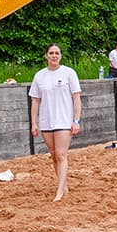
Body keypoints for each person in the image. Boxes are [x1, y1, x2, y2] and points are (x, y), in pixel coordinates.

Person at [29, 44, 82, 202]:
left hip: (64, 120)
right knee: (53, 155)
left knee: (61, 154)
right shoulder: (39, 76)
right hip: (46, 121)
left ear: (60, 55)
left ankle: (59, 192)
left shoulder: (68, 73)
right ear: (46, 55)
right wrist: (34, 123)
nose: (54, 56)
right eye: (51, 53)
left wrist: (76, 120)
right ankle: (63, 185)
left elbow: (76, 98)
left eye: (56, 53)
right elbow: (35, 101)